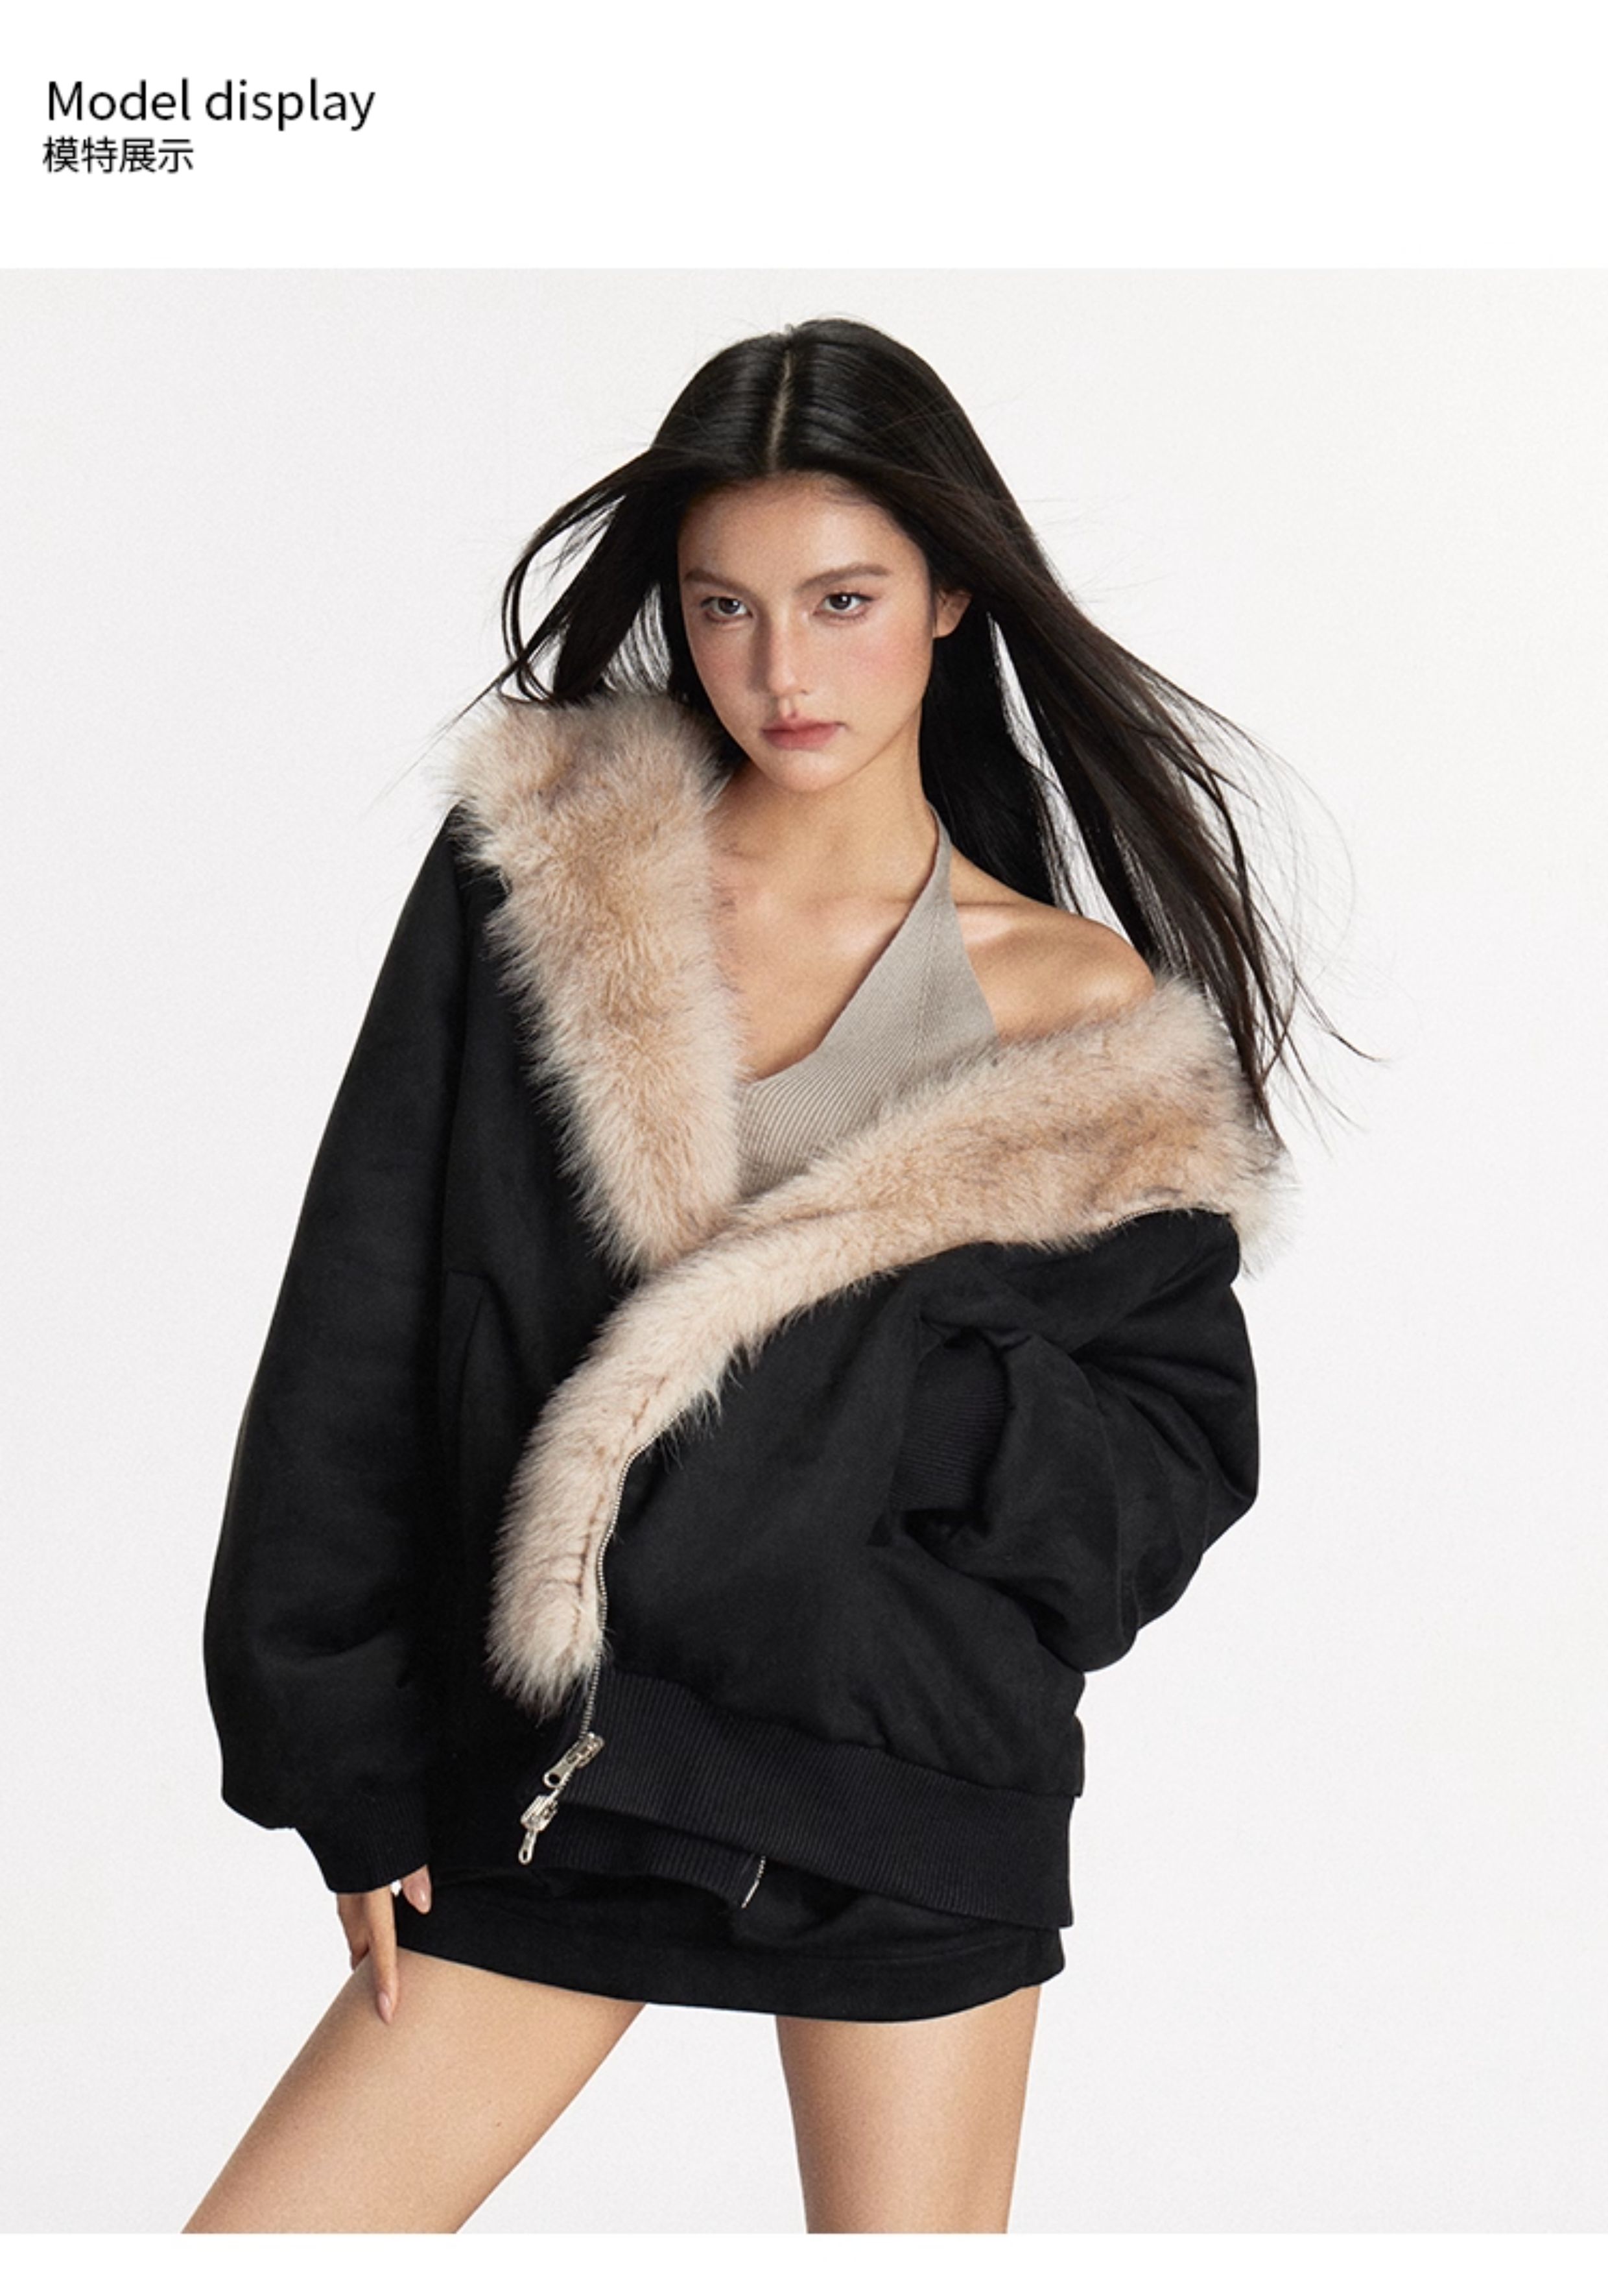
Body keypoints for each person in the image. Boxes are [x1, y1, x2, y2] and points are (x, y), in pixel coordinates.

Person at [187, 317, 1314, 2234]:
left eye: (843, 601)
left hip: (907, 1788)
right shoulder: (543, 876)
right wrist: (337, 1757)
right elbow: (360, 1314)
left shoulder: (1081, 1015)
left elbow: (1165, 1472)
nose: (784, 672)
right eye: (727, 608)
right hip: (555, 1764)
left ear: (952, 594)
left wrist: (880, 1378)